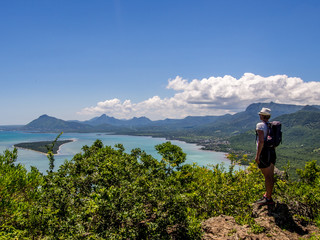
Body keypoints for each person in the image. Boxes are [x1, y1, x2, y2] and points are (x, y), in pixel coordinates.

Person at [255, 107, 276, 205]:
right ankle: (268, 195)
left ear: (262, 116)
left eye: (260, 114)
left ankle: (268, 198)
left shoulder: (260, 125)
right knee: (271, 175)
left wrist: (257, 156)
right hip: (272, 152)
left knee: (267, 176)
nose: (259, 115)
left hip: (264, 153)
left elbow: (261, 141)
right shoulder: (270, 125)